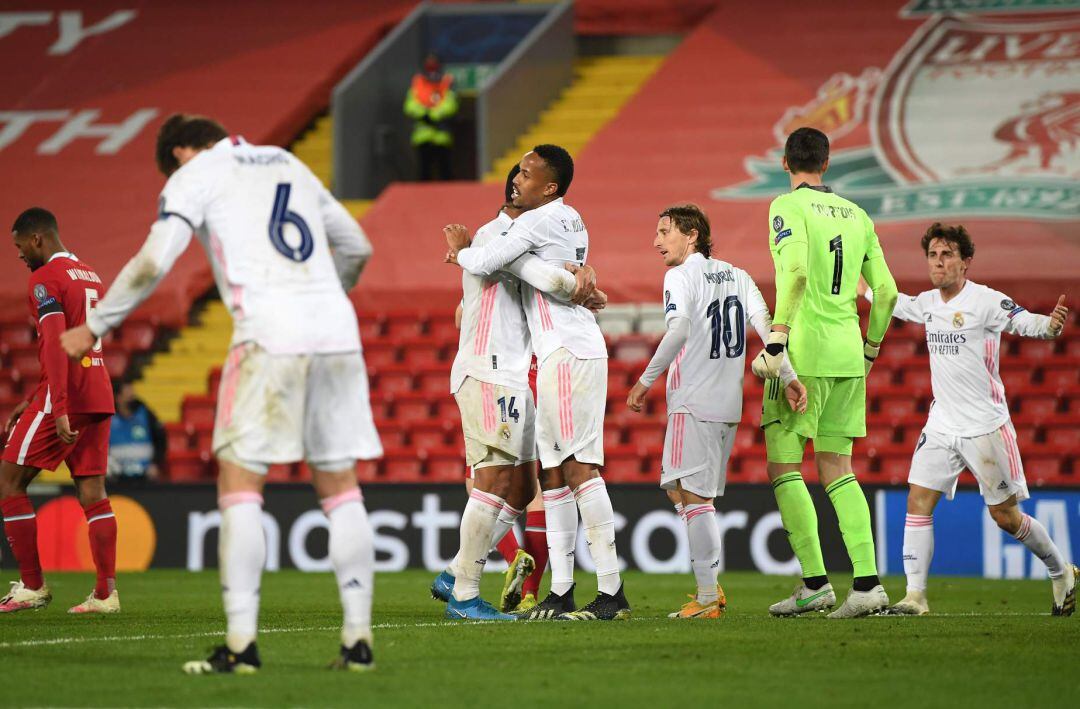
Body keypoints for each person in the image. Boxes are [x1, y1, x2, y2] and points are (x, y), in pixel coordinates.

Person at [59, 114, 382, 673]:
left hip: (267, 334)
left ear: (180, 153)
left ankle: (240, 646)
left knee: (240, 483)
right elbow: (357, 246)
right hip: (336, 332)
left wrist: (96, 325)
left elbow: (155, 260)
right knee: (339, 484)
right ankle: (358, 641)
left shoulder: (196, 173)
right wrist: (327, 298)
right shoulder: (287, 161)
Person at [446, 145, 629, 621]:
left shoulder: (530, 223)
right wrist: (578, 282)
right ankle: (561, 590)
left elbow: (490, 260)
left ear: (548, 187)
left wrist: (460, 251)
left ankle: (611, 590)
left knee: (578, 470)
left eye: (526, 175)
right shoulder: (569, 218)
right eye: (518, 173)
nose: (517, 181)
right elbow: (546, 271)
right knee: (552, 476)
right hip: (556, 353)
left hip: (566, 351)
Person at [861, 223, 1077, 617]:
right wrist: (860, 285)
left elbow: (1024, 321)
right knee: (917, 500)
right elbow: (893, 300)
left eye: (947, 255)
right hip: (941, 424)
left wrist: (1050, 326)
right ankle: (915, 597)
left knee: (1005, 517)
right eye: (933, 255)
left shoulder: (986, 300)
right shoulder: (927, 303)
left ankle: (1059, 570)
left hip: (985, 426)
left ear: (966, 262)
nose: (938, 262)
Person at [627, 204, 807, 619]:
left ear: (691, 235)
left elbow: (679, 329)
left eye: (664, 231)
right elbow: (769, 329)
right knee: (680, 490)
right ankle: (710, 587)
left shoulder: (679, 276)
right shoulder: (738, 275)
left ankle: (708, 596)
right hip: (727, 404)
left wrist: (645, 380)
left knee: (695, 498)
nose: (656, 242)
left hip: (693, 400)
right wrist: (790, 377)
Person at [751, 126, 899, 618]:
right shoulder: (858, 215)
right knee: (839, 467)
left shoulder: (786, 207)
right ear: (827, 163)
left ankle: (815, 583)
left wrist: (777, 336)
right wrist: (870, 349)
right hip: (848, 354)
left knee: (784, 465)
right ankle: (868, 584)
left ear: (785, 163)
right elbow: (887, 293)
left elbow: (794, 273)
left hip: (805, 352)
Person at [0, 207, 118, 615]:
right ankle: (105, 594)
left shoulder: (45, 278)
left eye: (20, 246)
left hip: (66, 397)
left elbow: (54, 343)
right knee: (93, 493)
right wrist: (33, 397)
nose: (19, 255)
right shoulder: (89, 274)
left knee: (8, 481)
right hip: (98, 392)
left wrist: (58, 404)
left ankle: (32, 586)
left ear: (37, 239)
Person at [403, 53, 458, 181]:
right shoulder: (418, 82)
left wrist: (434, 115)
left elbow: (451, 103)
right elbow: (409, 105)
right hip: (422, 136)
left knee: (445, 170)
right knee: (424, 172)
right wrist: (424, 114)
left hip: (441, 135)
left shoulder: (446, 82)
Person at [107, 380, 165, 483]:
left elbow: (161, 439)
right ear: (118, 397)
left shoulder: (145, 413)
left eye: (132, 394)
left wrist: (155, 463)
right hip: (116, 477)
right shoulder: (108, 418)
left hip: (145, 477)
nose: (132, 397)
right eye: (127, 395)